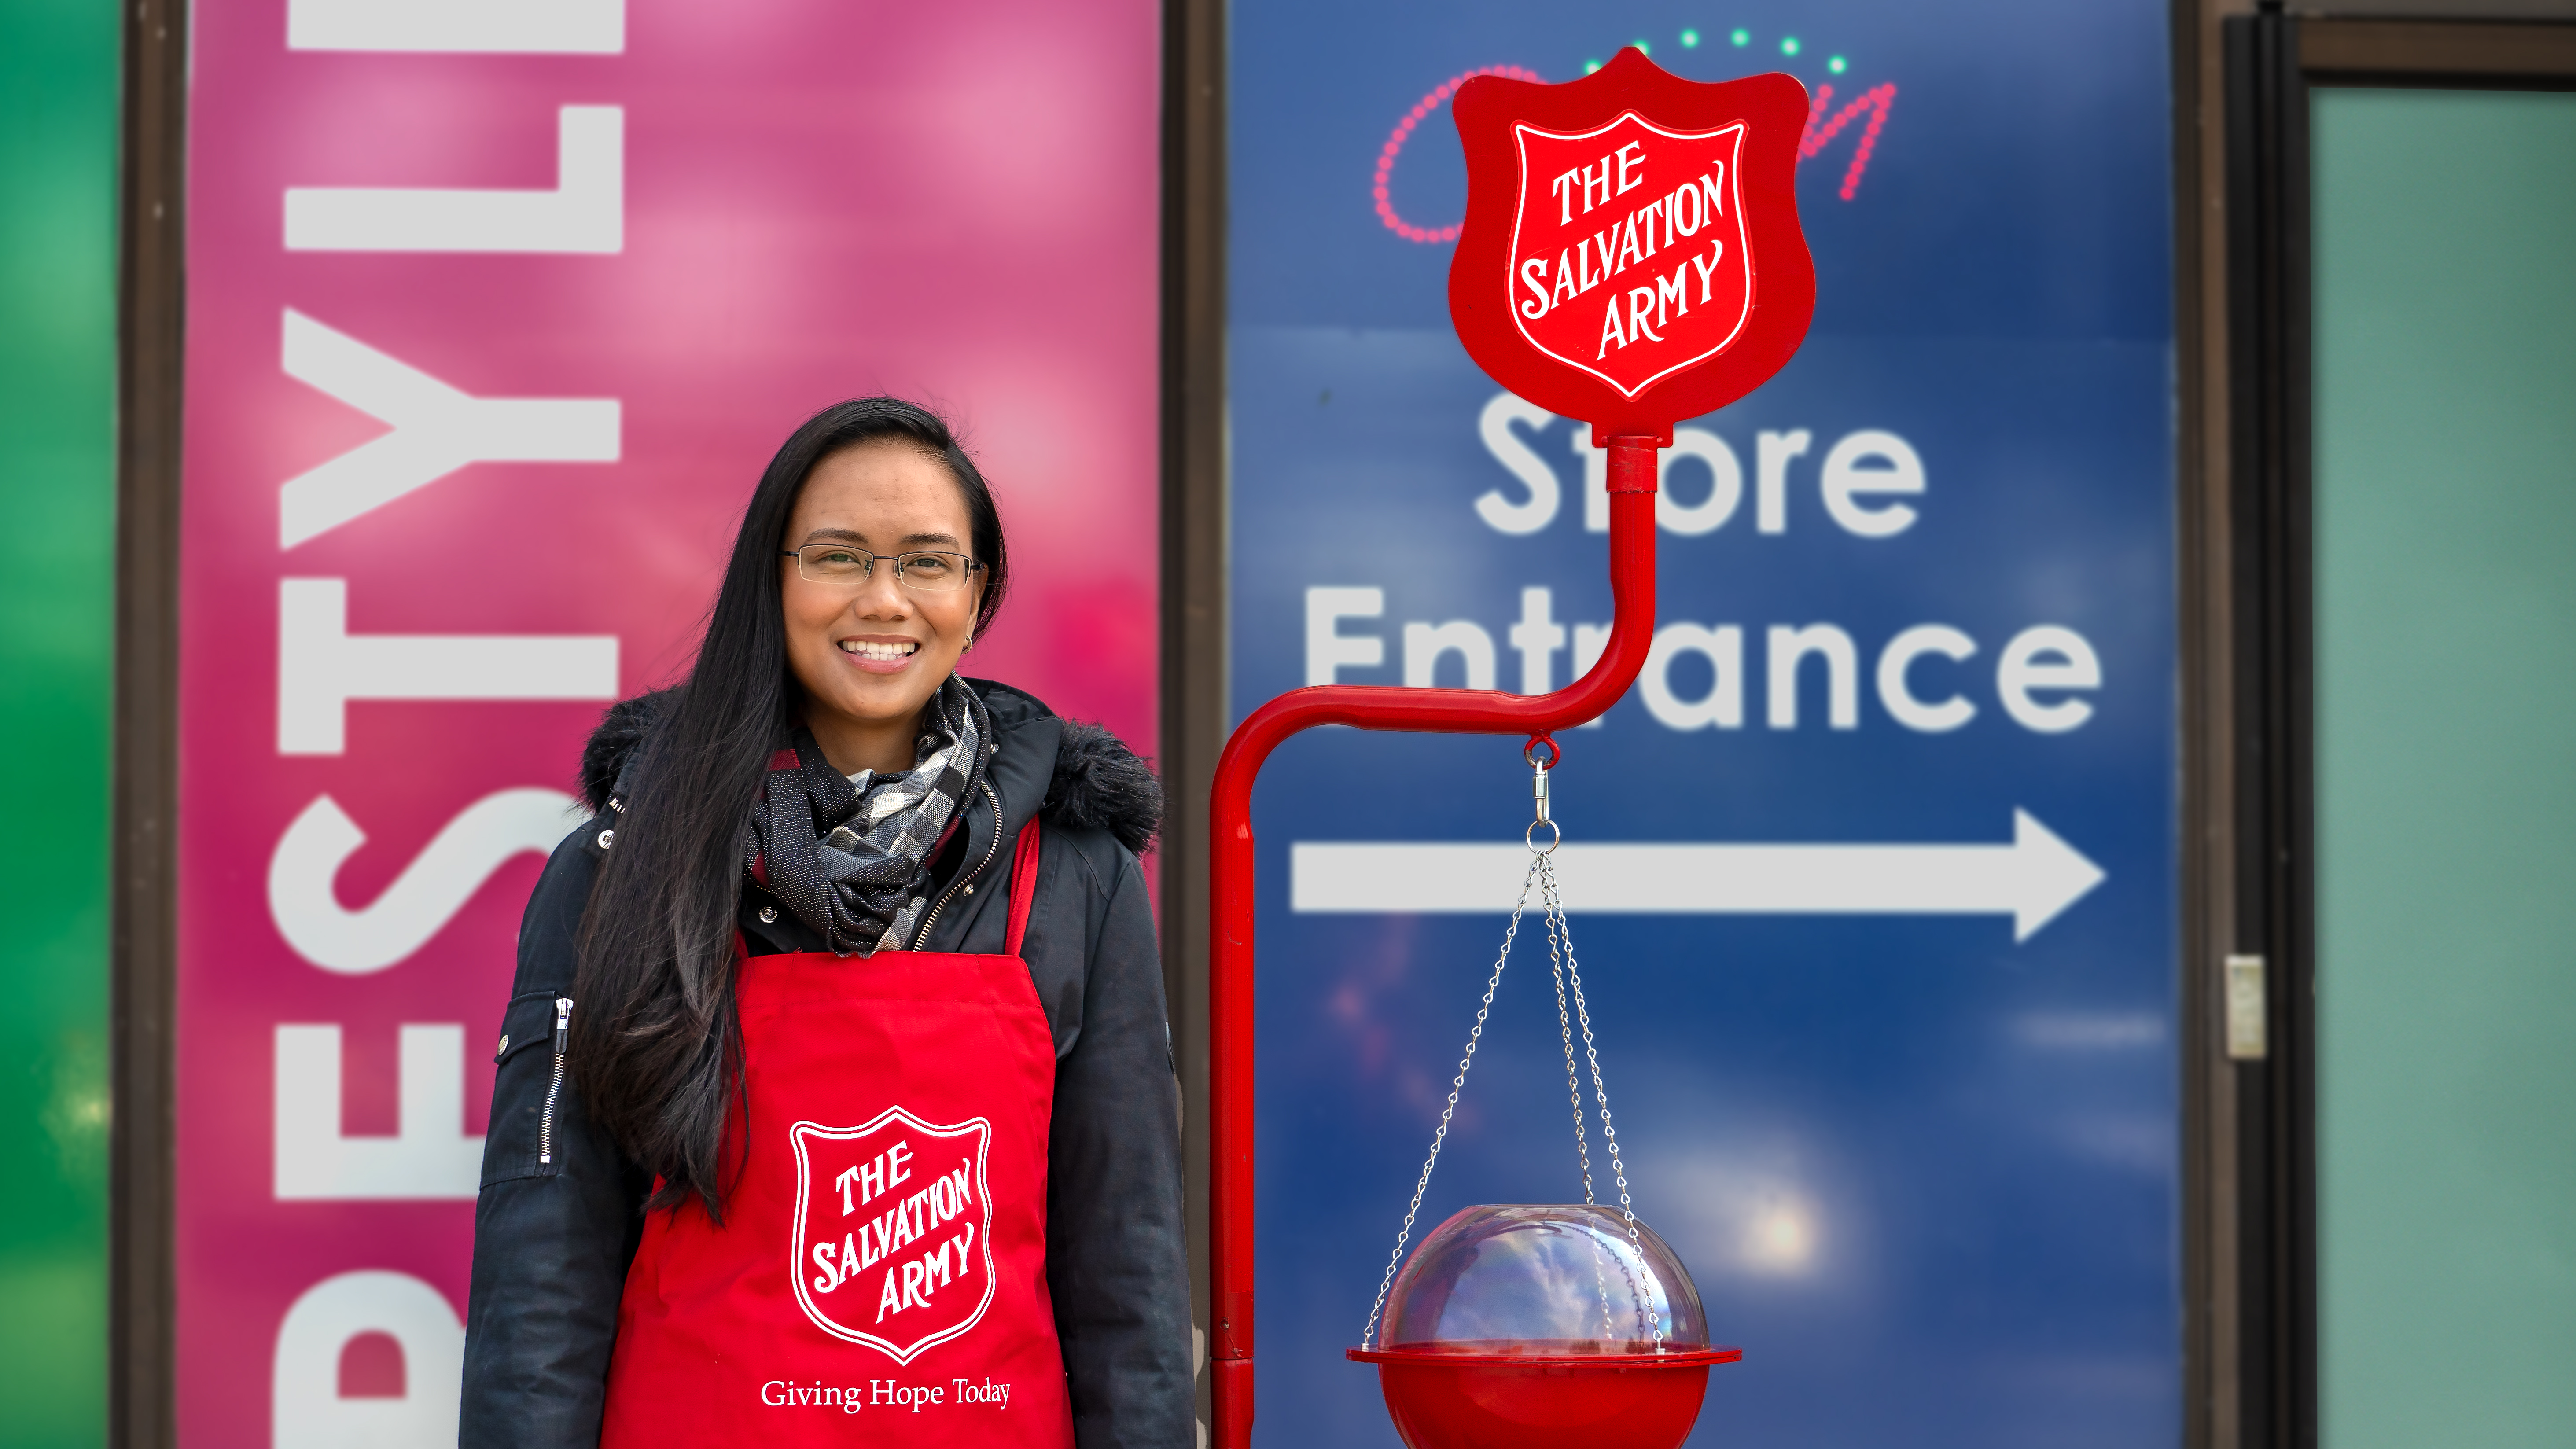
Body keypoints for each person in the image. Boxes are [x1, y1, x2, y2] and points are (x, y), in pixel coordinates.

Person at [460, 398, 1190, 1447]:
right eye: (840, 556)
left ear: (977, 593)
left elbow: (1128, 1273)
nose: (885, 599)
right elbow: (543, 1268)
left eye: (929, 562)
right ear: (775, 578)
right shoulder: (621, 866)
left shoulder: (1076, 875)